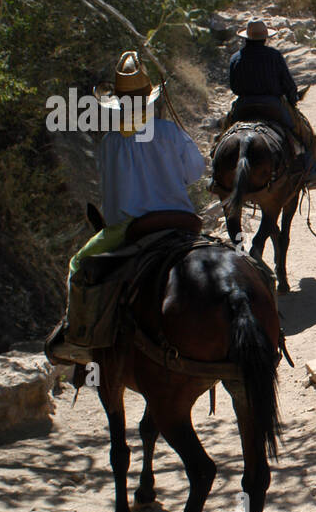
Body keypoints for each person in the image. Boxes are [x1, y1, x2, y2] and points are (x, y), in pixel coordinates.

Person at [45, 51, 207, 365]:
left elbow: (110, 191)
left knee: (79, 263)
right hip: (181, 220)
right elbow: (195, 172)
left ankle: (79, 338)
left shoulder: (110, 142)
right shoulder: (170, 132)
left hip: (129, 228)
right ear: (150, 99)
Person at [227, 19, 316, 189]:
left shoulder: (235, 58)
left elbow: (234, 87)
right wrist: (292, 97)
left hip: (243, 105)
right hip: (273, 105)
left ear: (245, 38)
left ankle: (215, 176)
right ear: (265, 38)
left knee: (224, 131)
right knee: (306, 134)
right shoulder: (274, 56)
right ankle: (313, 172)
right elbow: (288, 84)